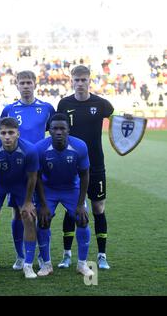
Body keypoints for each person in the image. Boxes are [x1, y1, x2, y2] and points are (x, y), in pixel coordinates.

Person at [57, 65, 114, 269]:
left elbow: (117, 121)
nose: (80, 83)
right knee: (71, 208)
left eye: (84, 80)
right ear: (71, 81)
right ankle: (66, 255)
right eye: (77, 80)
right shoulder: (64, 103)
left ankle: (102, 256)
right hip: (71, 165)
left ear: (90, 81)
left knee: (98, 208)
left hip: (96, 164)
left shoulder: (102, 104)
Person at [1, 70, 55, 270]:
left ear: (35, 84)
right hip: (16, 168)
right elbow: (2, 134)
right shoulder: (8, 109)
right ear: (16, 85)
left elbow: (54, 133)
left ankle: (44, 256)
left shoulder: (47, 108)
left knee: (41, 211)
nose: (25, 86)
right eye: (22, 83)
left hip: (40, 167)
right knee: (17, 212)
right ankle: (20, 256)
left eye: (28, 82)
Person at [34, 113, 94, 278]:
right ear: (49, 130)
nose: (59, 132)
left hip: (71, 189)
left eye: (62, 128)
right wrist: (43, 204)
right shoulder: (40, 148)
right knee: (43, 222)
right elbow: (36, 177)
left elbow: (84, 175)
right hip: (48, 189)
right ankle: (46, 265)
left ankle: (82, 264)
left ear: (69, 130)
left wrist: (81, 204)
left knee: (82, 220)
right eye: (55, 129)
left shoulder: (80, 146)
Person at [0, 117, 39, 279]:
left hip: (20, 185)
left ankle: (28, 265)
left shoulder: (30, 150)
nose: (7, 136)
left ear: (18, 134)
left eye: (11, 133)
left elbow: (32, 177)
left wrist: (28, 202)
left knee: (28, 217)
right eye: (3, 133)